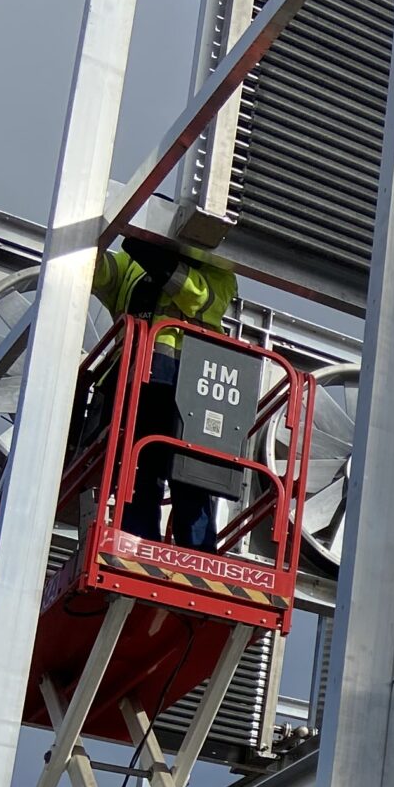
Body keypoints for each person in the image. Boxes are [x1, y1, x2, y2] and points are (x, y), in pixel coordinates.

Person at [89, 235, 240, 551]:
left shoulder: (218, 268)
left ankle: (197, 556)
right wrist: (97, 234)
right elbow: (98, 271)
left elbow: (199, 297)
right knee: (139, 470)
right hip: (137, 382)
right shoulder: (131, 264)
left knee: (191, 475)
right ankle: (138, 545)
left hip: (190, 384)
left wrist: (159, 261)